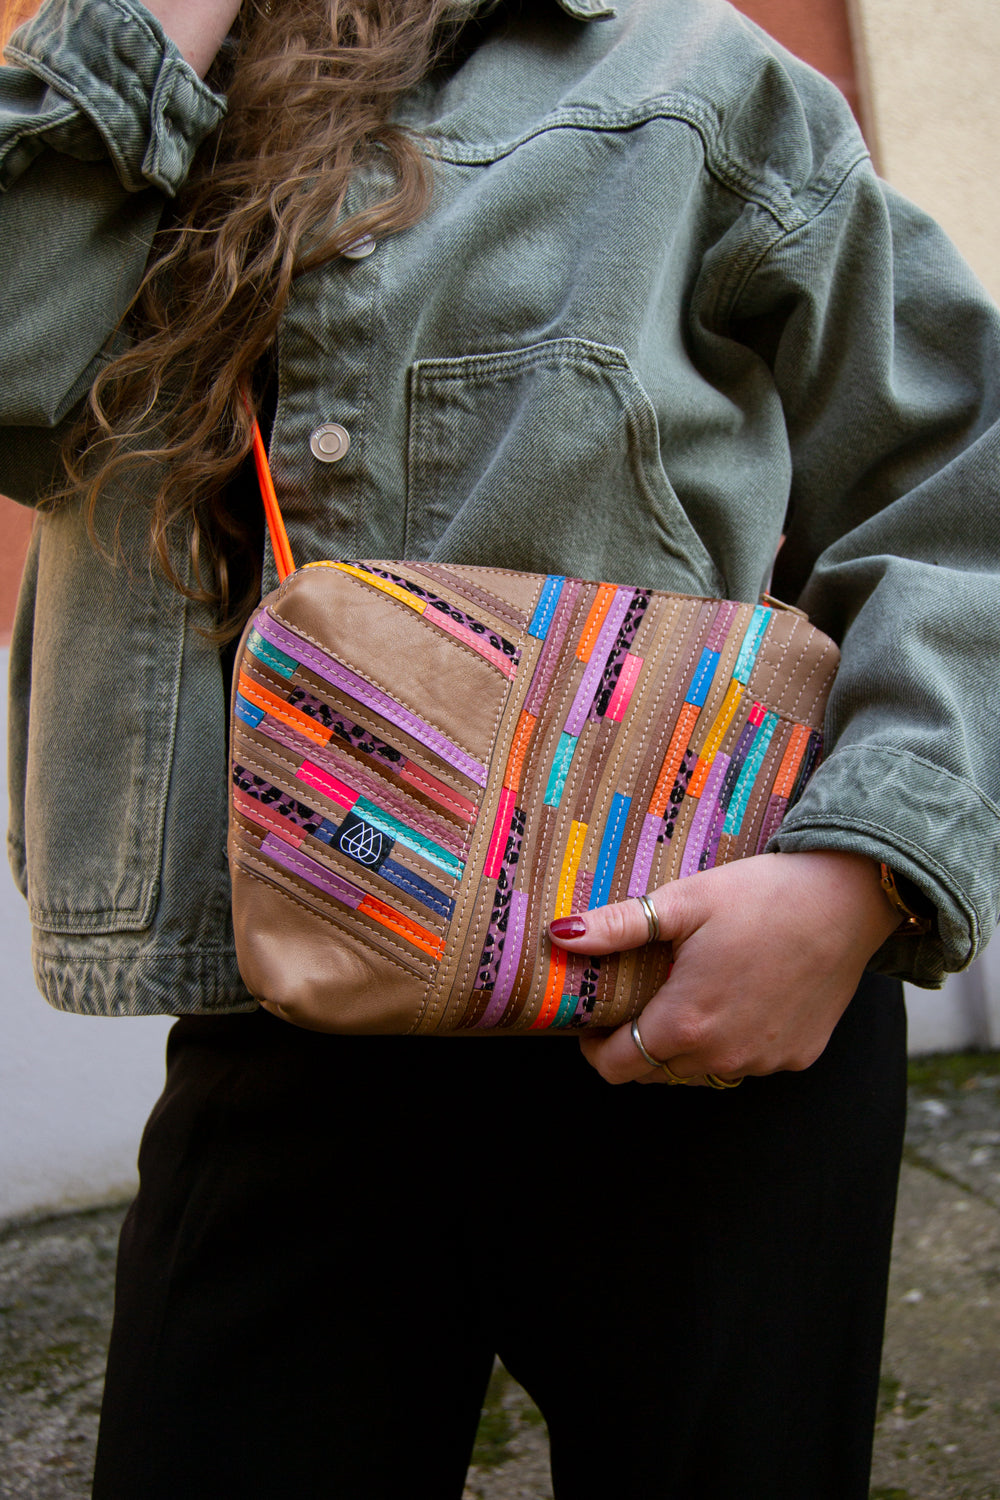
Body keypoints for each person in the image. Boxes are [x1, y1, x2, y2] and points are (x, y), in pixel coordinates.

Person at [2, 0, 998, 1495]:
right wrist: (147, 34)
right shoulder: (130, 104)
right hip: (286, 1026)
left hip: (694, 1006)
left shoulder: (700, 84)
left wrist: (859, 879)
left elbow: (961, 477)